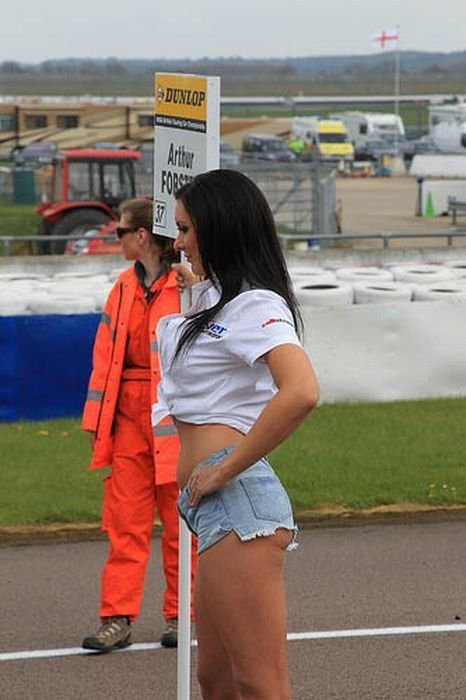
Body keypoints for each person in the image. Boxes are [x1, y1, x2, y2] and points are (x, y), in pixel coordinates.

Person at [153, 169, 320, 698]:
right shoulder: (219, 299)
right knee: (215, 678)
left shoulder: (256, 304)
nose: (176, 243)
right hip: (212, 507)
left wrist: (225, 468)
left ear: (219, 227)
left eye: (185, 230)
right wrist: (193, 285)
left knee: (259, 684)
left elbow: (301, 391)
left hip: (238, 500)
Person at [81, 198, 196, 653]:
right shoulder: (123, 288)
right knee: (124, 523)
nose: (118, 240)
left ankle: (180, 616)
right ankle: (116, 619)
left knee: (178, 523)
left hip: (171, 422)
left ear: (142, 236)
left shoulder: (186, 285)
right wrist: (98, 423)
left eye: (121, 233)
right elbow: (103, 359)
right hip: (128, 421)